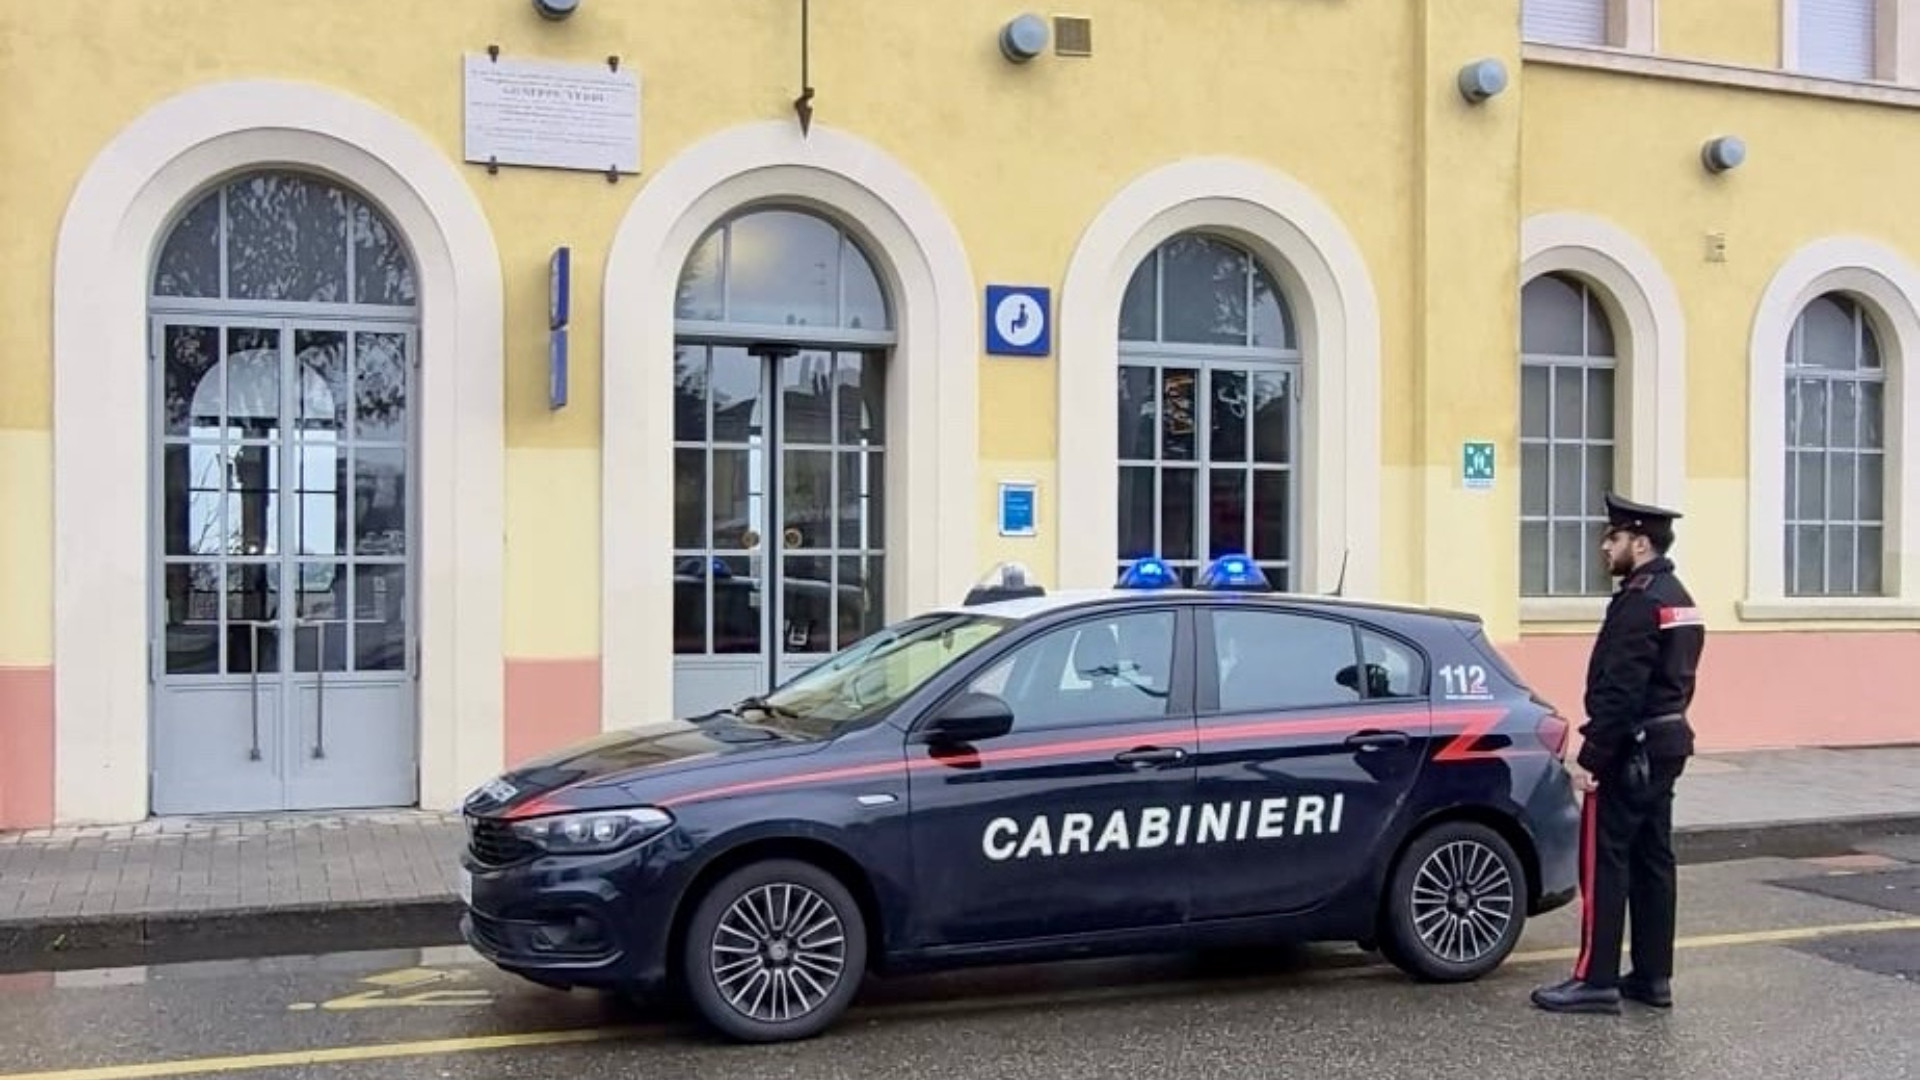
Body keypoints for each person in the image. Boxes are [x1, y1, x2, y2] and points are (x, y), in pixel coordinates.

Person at [1532, 492, 1705, 1015]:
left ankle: (1596, 978)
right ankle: (1653, 976)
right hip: (1666, 742)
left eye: (1615, 537)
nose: (1606, 547)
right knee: (1654, 861)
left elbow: (1620, 689)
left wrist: (1592, 757)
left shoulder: (1638, 602)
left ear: (1641, 543)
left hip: (1631, 749)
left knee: (1604, 861)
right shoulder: (1679, 597)